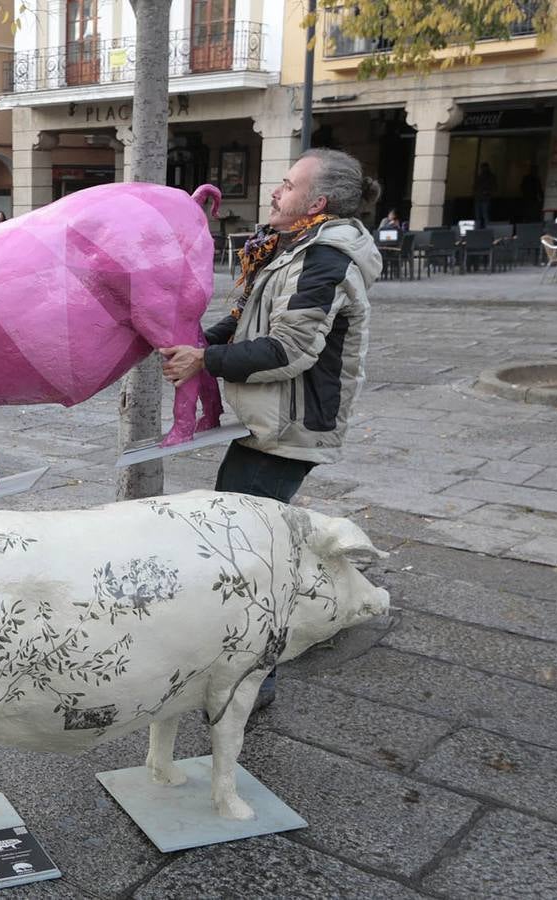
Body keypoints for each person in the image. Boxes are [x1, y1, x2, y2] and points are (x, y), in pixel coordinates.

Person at [160, 147, 382, 710]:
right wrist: (201, 339)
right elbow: (246, 318)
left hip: (293, 427)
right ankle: (239, 666)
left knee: (244, 555)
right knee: (241, 541)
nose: (276, 192)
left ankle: (251, 680)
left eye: (288, 184)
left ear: (319, 201)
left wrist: (203, 362)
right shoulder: (292, 248)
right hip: (269, 422)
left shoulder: (326, 258)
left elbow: (291, 347)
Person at [473, 162, 497, 228]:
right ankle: (478, 228)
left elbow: (493, 188)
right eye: (482, 168)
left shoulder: (490, 177)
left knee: (484, 215)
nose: (483, 169)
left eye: (484, 168)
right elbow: (475, 186)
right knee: (478, 215)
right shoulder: (480, 176)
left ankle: (486, 228)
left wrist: (487, 192)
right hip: (479, 198)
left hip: (485, 199)